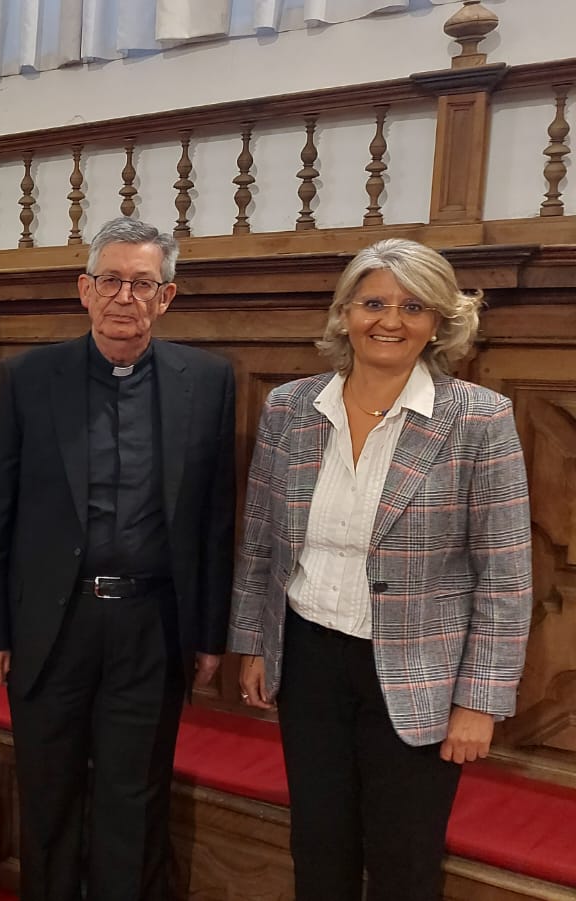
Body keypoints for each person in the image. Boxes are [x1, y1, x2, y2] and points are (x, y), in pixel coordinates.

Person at [230, 238, 532, 901]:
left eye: (412, 305)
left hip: (419, 671)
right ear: (344, 313)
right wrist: (253, 642)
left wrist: (479, 699)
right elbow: (259, 541)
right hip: (308, 659)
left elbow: (506, 576)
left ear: (438, 321)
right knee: (318, 843)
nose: (389, 320)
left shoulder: (479, 419)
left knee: (402, 858)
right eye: (372, 302)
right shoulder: (290, 407)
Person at [0, 216, 237, 900]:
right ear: (84, 290)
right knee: (49, 790)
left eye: (143, 283)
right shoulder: (29, 377)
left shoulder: (206, 382)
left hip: (152, 624)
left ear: (167, 296)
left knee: (134, 794)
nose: (125, 296)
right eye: (111, 280)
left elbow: (214, 519)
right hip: (54, 623)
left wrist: (210, 634)